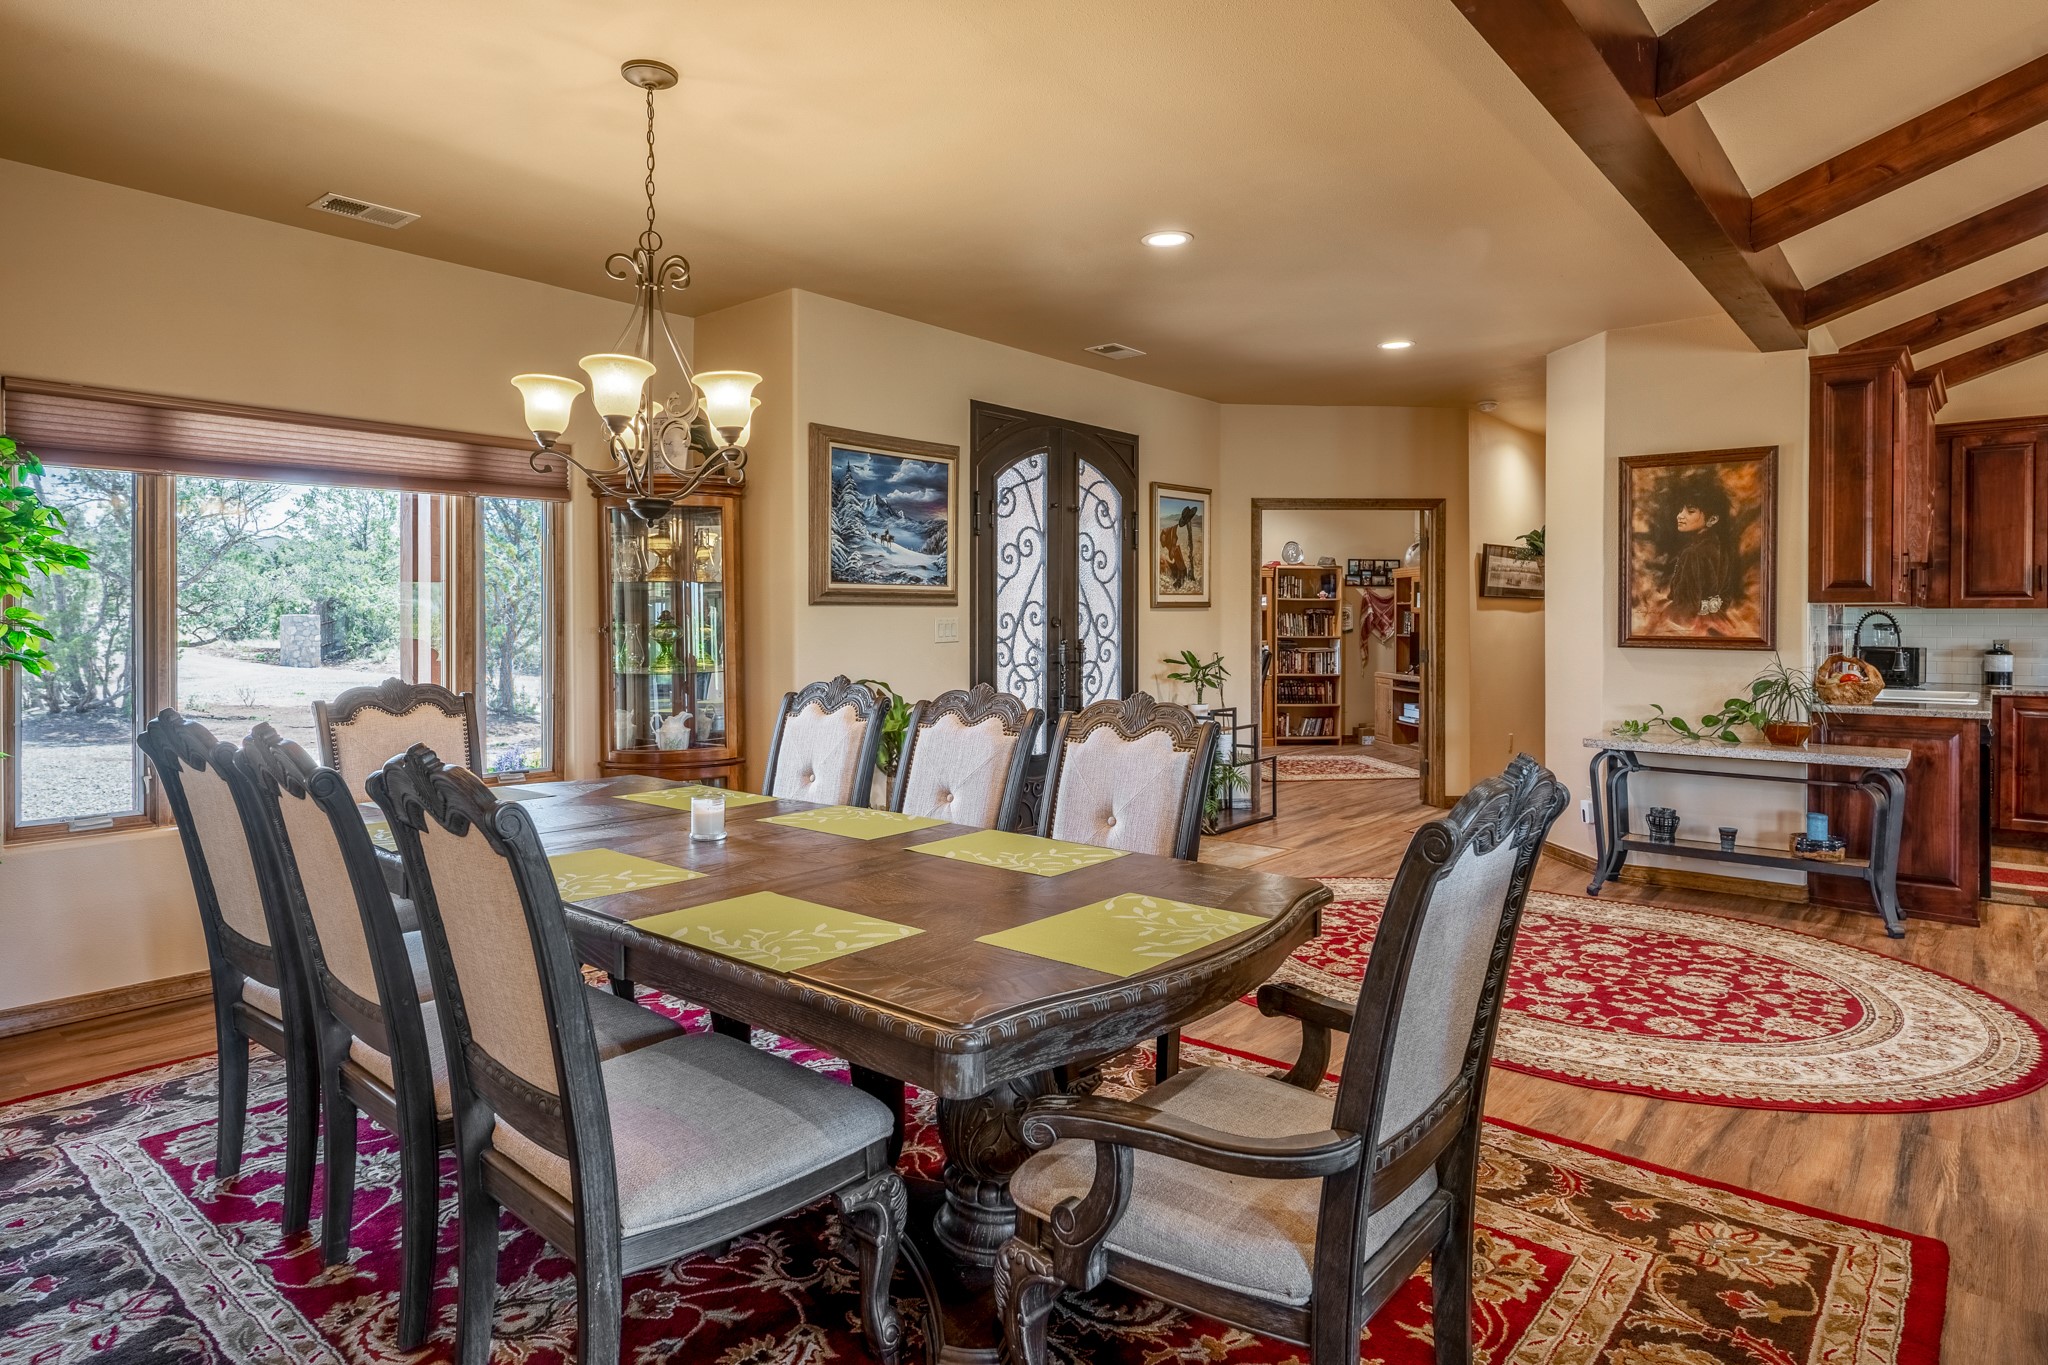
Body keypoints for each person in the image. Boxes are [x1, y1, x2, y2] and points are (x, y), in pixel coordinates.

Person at [1664, 475, 1737, 623]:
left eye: (1690, 511)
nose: (1679, 516)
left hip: (1690, 623)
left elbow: (1686, 609)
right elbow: (1726, 596)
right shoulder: (1721, 548)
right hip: (1716, 620)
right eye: (1680, 510)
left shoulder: (1692, 553)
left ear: (1712, 519)